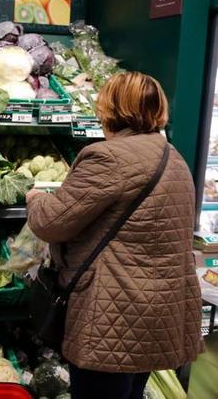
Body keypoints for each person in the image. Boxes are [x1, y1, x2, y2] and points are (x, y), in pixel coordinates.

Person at [25, 71, 203, 399]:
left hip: (113, 312)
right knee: (132, 393)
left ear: (112, 108)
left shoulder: (109, 157)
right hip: (158, 310)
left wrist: (36, 199)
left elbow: (51, 222)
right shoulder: (173, 158)